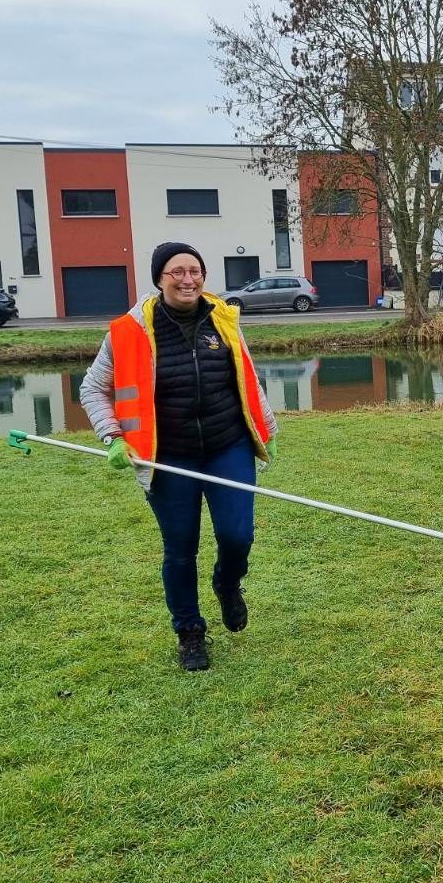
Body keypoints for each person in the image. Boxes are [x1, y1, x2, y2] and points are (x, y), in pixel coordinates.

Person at [80, 241, 278, 672]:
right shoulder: (129, 331)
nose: (187, 279)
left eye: (195, 270)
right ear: (159, 278)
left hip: (229, 446)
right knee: (180, 547)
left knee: (238, 535)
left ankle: (228, 584)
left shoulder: (223, 319)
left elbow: (246, 375)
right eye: (176, 272)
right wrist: (112, 435)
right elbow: (93, 388)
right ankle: (189, 633)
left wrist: (269, 429)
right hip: (169, 457)